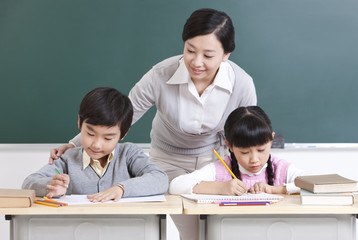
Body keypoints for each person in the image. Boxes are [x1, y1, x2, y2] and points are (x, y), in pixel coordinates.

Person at [47, 8, 256, 240]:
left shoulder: (242, 84)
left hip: (215, 162)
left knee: (220, 230)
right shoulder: (160, 75)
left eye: (208, 56)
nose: (196, 62)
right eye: (190, 50)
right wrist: (73, 145)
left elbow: (248, 135)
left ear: (226, 54)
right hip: (168, 161)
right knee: (192, 232)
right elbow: (124, 115)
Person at [22, 87, 168, 201]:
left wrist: (121, 189)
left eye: (108, 138)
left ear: (123, 134)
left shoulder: (129, 154)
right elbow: (28, 183)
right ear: (80, 123)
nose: (97, 145)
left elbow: (160, 179)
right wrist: (51, 185)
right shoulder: (67, 159)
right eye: (90, 134)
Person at [169, 106, 305, 196]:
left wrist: (273, 189)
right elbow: (176, 186)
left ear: (272, 139)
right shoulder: (220, 169)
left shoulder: (281, 169)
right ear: (230, 146)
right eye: (245, 152)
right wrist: (221, 188)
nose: (254, 159)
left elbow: (318, 185)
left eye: (261, 150)